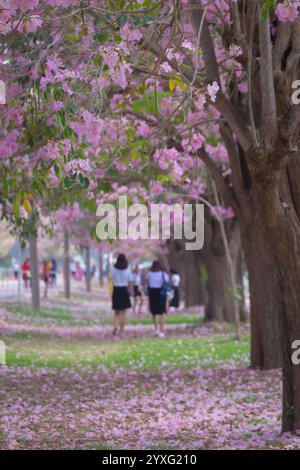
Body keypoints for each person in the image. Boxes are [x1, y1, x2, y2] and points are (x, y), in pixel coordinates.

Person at [112, 254, 132, 336]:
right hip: (124, 289)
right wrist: (131, 291)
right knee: (123, 311)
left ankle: (115, 325)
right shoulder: (127, 270)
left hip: (116, 289)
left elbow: (110, 278)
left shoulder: (113, 269)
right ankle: (122, 330)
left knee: (117, 310)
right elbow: (130, 281)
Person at [147, 261, 169, 338]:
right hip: (161, 293)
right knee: (162, 312)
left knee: (154, 312)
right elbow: (167, 282)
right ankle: (161, 330)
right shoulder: (163, 274)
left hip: (152, 293)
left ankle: (156, 329)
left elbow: (147, 282)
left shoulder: (149, 274)